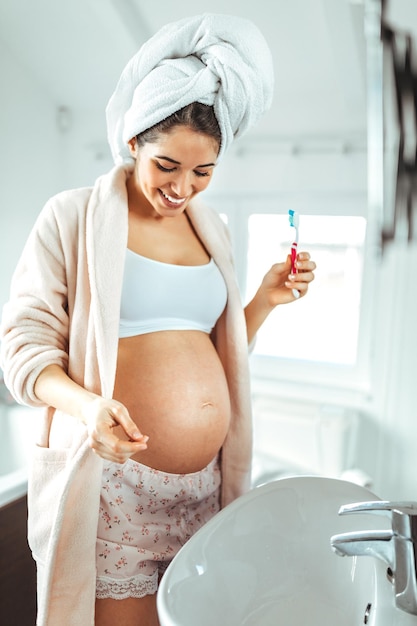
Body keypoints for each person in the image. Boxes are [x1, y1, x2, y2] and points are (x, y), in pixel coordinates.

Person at [0, 13, 316, 626]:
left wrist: (263, 302)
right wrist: (88, 407)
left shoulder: (212, 229)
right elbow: (21, 347)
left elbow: (217, 352)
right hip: (116, 482)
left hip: (202, 489)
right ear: (134, 142)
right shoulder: (73, 217)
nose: (182, 188)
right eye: (167, 166)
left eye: (203, 173)